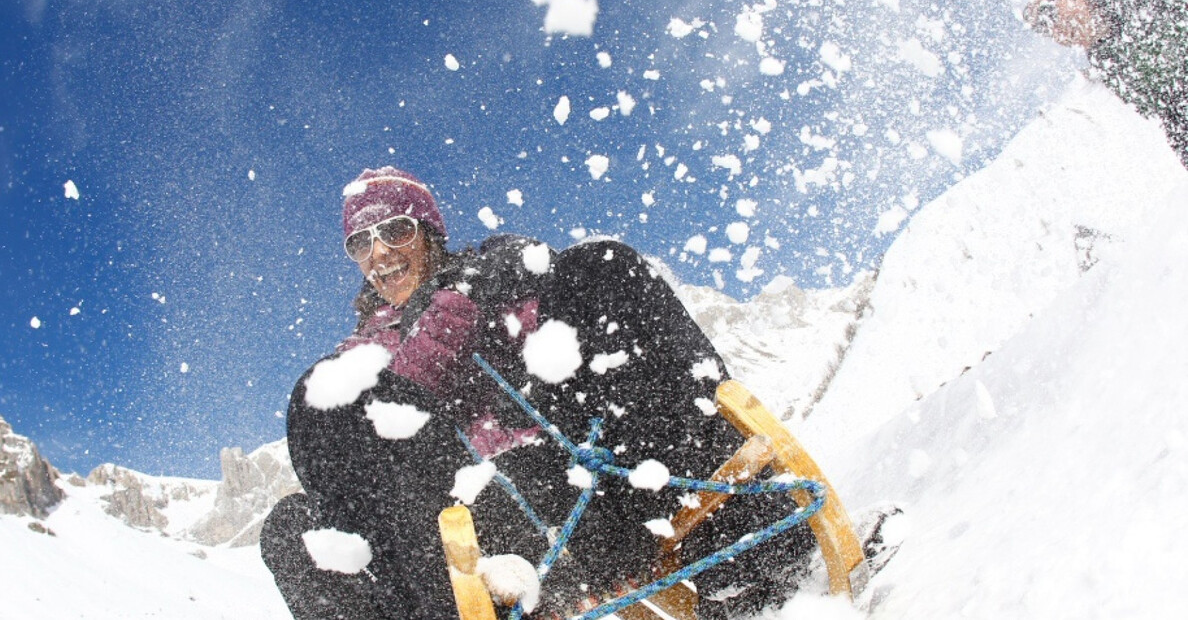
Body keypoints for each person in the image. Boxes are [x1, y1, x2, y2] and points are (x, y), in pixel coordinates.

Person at [259, 166, 814, 619]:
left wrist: (479, 297)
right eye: (362, 242)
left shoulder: (488, 283)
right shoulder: (360, 359)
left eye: (397, 231)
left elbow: (567, 302)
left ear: (429, 234)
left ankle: (748, 550)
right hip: (472, 537)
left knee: (601, 265)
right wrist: (414, 371)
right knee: (295, 505)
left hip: (580, 486)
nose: (380, 252)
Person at [1024, 0, 1188, 168]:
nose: (1057, 34)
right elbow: (1173, 117)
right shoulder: (1112, 61)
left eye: (1049, 15)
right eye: (1042, 28)